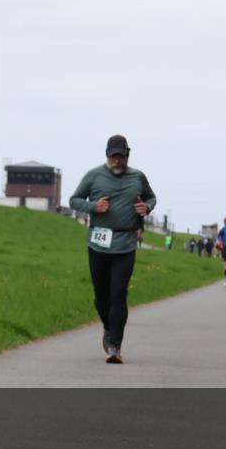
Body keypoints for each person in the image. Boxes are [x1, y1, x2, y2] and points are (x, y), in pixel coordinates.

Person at [69, 135, 156, 364]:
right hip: (98, 242)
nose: (117, 160)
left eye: (121, 156)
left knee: (119, 292)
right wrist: (93, 206)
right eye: (113, 156)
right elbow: (74, 200)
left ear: (128, 155)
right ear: (107, 155)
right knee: (101, 297)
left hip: (126, 241)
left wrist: (146, 207)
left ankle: (115, 346)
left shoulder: (138, 177)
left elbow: (151, 197)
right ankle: (109, 327)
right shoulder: (94, 175)